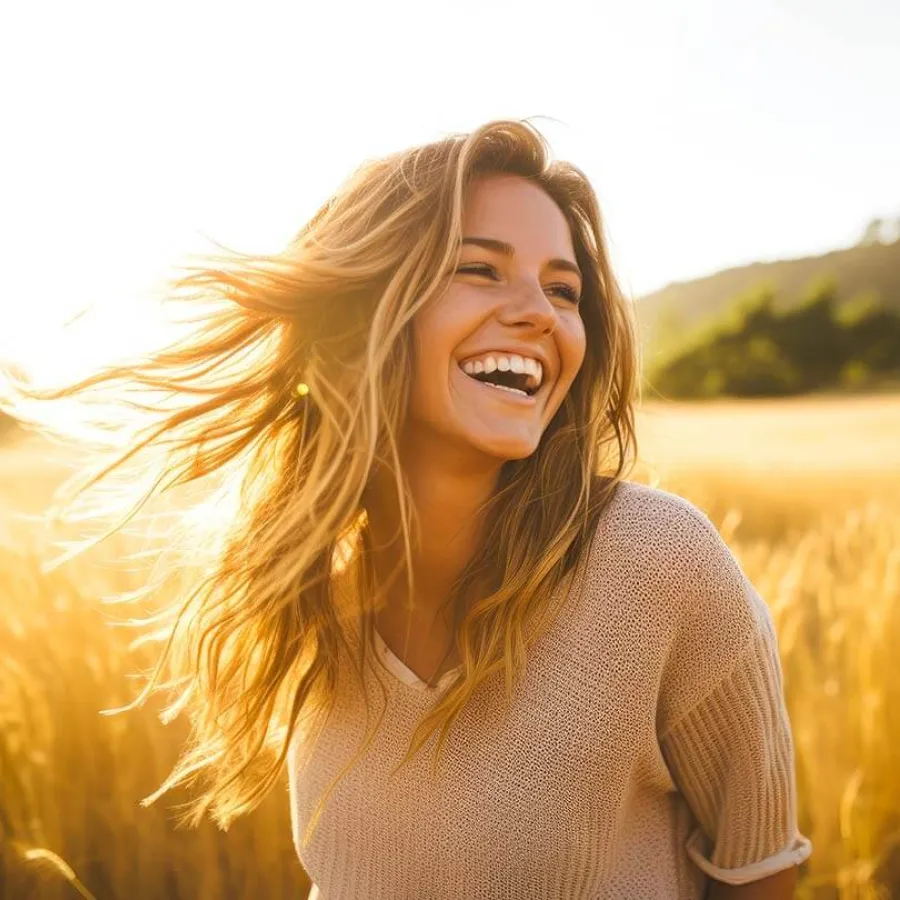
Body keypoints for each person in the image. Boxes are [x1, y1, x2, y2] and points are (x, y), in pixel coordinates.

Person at [2, 119, 812, 898]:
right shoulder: (315, 597)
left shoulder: (653, 562)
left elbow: (759, 869)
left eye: (564, 290)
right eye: (480, 269)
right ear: (364, 313)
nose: (539, 311)